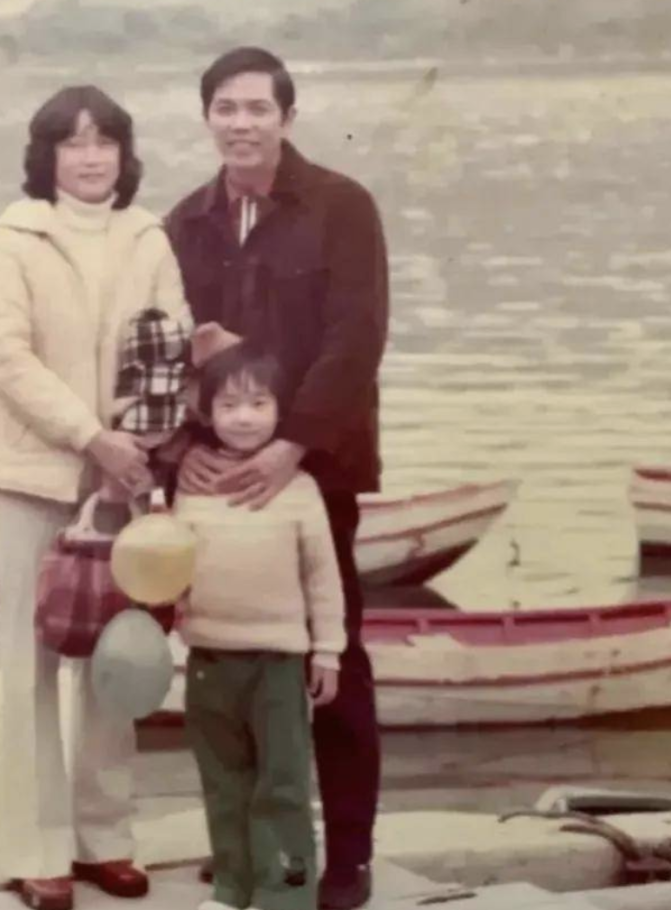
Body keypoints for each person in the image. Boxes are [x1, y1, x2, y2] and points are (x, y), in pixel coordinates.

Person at [164, 46, 388, 910]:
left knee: (332, 655)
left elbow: (357, 338)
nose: (242, 123)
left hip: (313, 470)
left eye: (258, 108)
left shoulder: (340, 205)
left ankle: (348, 857)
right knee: (229, 666)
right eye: (226, 108)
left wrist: (291, 444)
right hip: (216, 481)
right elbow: (166, 351)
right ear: (207, 118)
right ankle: (255, 849)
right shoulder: (184, 224)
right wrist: (183, 449)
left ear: (288, 117)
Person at [0, 84, 192, 910]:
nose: (92, 157)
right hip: (28, 477)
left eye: (105, 141)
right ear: (47, 155)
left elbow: (167, 349)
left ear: (125, 154)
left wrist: (133, 446)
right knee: (29, 661)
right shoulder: (10, 239)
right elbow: (6, 357)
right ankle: (36, 850)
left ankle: (105, 839)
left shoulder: (148, 238)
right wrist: (89, 437)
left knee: (114, 657)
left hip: (121, 476)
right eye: (74, 142)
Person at [175, 342, 346, 910]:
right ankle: (232, 888)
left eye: (258, 403)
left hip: (278, 662)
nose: (243, 417)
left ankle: (286, 896)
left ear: (280, 410)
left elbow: (323, 576)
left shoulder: (299, 489)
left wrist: (328, 651)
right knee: (224, 783)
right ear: (207, 414)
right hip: (208, 660)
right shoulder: (191, 485)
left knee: (282, 786)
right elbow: (170, 564)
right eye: (228, 405)